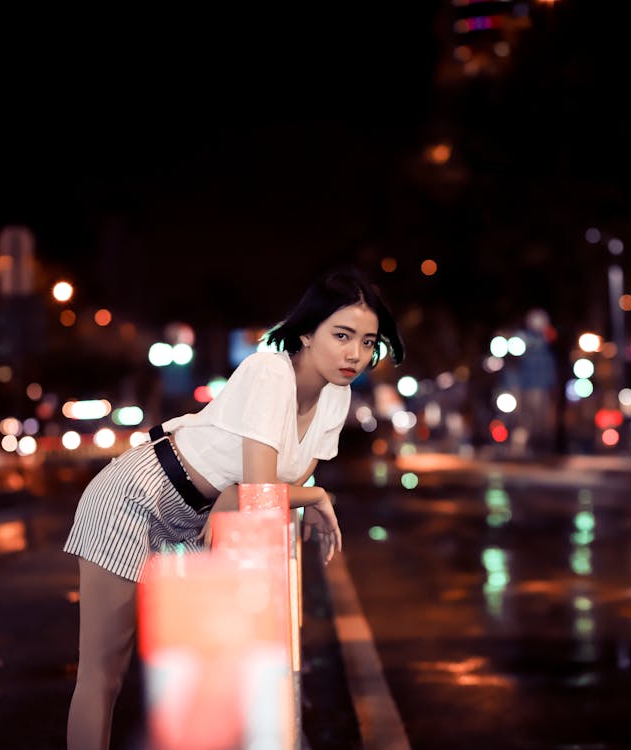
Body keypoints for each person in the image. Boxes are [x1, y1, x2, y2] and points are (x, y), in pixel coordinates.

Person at [63, 265, 405, 750]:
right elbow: (266, 489)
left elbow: (260, 493)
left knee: (202, 674)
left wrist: (253, 495)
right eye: (342, 335)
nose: (356, 353)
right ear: (307, 333)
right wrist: (313, 496)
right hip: (133, 497)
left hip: (196, 516)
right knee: (104, 672)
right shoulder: (270, 371)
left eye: (369, 342)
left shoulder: (337, 396)